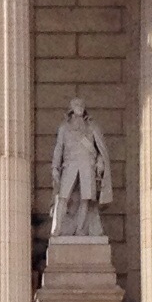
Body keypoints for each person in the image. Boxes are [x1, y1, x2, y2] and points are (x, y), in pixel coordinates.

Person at [49, 98, 109, 241]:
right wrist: (55, 167)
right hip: (70, 165)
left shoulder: (92, 127)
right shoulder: (64, 127)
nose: (80, 107)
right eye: (77, 105)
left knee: (86, 199)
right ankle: (57, 228)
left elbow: (100, 149)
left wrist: (100, 161)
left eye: (82, 105)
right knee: (63, 196)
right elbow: (59, 148)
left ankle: (81, 230)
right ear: (71, 108)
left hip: (87, 165)